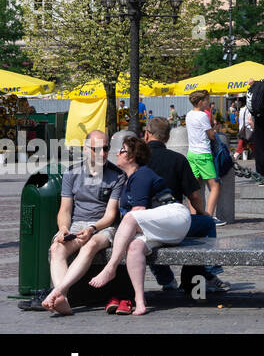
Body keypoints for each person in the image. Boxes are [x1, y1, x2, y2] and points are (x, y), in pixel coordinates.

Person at [88, 136, 192, 316]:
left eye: (122, 150)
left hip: (175, 216)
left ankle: (110, 268)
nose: (117, 153)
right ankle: (139, 300)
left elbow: (137, 211)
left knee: (130, 217)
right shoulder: (127, 180)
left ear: (132, 156)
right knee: (134, 247)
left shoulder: (141, 174)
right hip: (158, 227)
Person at [39, 130, 123, 314]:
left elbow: (110, 215)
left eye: (106, 149)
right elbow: (65, 209)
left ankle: (58, 292)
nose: (102, 154)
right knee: (56, 248)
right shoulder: (71, 173)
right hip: (77, 224)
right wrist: (63, 228)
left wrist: (93, 228)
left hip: (103, 226)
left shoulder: (117, 175)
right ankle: (63, 300)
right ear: (86, 150)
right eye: (96, 149)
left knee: (90, 245)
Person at [143, 118, 225, 296]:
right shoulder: (178, 159)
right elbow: (194, 195)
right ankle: (204, 274)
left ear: (147, 134)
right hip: (173, 224)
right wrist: (203, 213)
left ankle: (166, 280)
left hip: (146, 225)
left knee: (146, 238)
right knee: (207, 224)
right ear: (167, 137)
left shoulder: (139, 160)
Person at [184, 90, 221, 218]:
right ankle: (209, 216)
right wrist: (215, 130)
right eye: (207, 100)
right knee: (215, 186)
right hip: (203, 154)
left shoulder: (189, 114)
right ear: (200, 102)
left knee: (193, 187)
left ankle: (193, 216)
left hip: (192, 153)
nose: (208, 103)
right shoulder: (202, 116)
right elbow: (210, 135)